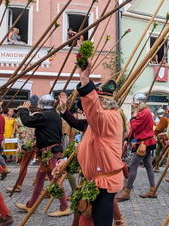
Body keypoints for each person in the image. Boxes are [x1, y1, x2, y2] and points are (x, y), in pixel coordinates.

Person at [54, 59, 125, 226]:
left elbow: (95, 112)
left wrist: (85, 81)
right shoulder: (95, 123)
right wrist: (64, 162)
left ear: (101, 103)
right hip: (94, 181)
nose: (84, 110)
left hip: (103, 184)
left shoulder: (110, 118)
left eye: (88, 107)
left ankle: (119, 219)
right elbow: (86, 147)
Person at [15, 94, 70, 217]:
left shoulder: (45, 115)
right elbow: (48, 133)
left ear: (42, 104)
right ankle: (31, 205)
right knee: (40, 178)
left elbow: (27, 121)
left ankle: (65, 206)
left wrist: (24, 110)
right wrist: (39, 142)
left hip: (49, 153)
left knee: (54, 180)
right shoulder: (55, 115)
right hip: (49, 151)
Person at [117, 92, 157, 201]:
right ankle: (153, 190)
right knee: (148, 165)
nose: (133, 103)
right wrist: (127, 138)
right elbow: (136, 129)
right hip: (146, 142)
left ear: (139, 101)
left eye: (134, 101)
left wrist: (132, 119)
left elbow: (135, 127)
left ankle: (126, 192)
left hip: (144, 143)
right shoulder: (143, 112)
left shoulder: (143, 112)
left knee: (133, 166)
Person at [6, 95, 41, 193]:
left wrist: (24, 146)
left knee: (24, 164)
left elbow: (30, 133)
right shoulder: (43, 114)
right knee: (44, 165)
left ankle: (18, 185)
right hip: (41, 144)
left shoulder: (33, 116)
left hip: (32, 145)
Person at [153, 108, 169, 172]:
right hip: (161, 138)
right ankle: (157, 167)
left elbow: (159, 129)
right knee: (157, 152)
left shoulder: (163, 119)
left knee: (167, 153)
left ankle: (157, 167)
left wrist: (154, 131)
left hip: (163, 138)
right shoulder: (163, 119)